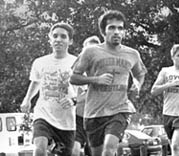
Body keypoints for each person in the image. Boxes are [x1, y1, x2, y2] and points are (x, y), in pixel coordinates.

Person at [70, 10, 147, 156]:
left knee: (109, 150)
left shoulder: (132, 54)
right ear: (104, 32)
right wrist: (95, 79)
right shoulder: (90, 52)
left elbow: (140, 74)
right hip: (94, 113)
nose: (116, 31)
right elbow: (73, 77)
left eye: (120, 28)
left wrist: (138, 84)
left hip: (119, 109)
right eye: (112, 27)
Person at [20, 22, 77, 156]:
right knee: (39, 149)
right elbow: (36, 82)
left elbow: (86, 92)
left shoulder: (76, 63)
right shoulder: (40, 62)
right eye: (55, 36)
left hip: (66, 121)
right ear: (49, 39)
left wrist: (73, 100)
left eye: (63, 36)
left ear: (70, 41)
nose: (58, 39)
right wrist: (27, 99)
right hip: (43, 114)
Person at [71, 35, 101, 156]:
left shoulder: (102, 70)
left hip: (97, 118)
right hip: (78, 118)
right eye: (87, 50)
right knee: (74, 151)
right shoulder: (76, 68)